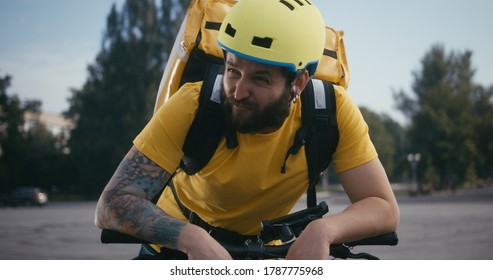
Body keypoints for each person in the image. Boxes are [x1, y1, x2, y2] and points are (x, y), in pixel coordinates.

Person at [95, 0, 399, 260]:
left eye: (261, 79)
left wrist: (325, 229)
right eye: (232, 70)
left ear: (299, 83)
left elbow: (383, 207)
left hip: (265, 248)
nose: (238, 92)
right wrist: (189, 238)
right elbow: (113, 203)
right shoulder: (193, 103)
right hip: (178, 247)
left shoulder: (331, 111)